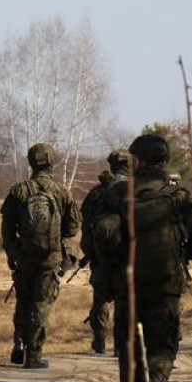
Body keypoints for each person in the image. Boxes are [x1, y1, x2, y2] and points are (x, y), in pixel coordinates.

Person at [93, 133, 192, 382]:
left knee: (129, 350)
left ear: (139, 160)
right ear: (162, 160)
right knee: (162, 347)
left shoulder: (117, 195)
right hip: (166, 286)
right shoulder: (179, 197)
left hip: (126, 286)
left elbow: (96, 240)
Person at [1, 143, 81, 369]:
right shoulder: (62, 192)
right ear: (51, 161)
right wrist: (57, 240)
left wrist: (12, 253)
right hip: (51, 258)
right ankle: (34, 355)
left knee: (24, 301)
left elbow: (7, 229)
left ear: (31, 162)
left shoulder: (18, 191)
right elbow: (73, 227)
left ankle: (19, 342)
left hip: (24, 257)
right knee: (41, 304)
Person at [79, 149, 130, 354]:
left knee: (100, 297)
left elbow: (85, 222)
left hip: (101, 254)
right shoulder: (134, 191)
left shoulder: (97, 192)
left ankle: (99, 340)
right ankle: (120, 345)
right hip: (126, 254)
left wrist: (90, 249)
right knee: (124, 299)